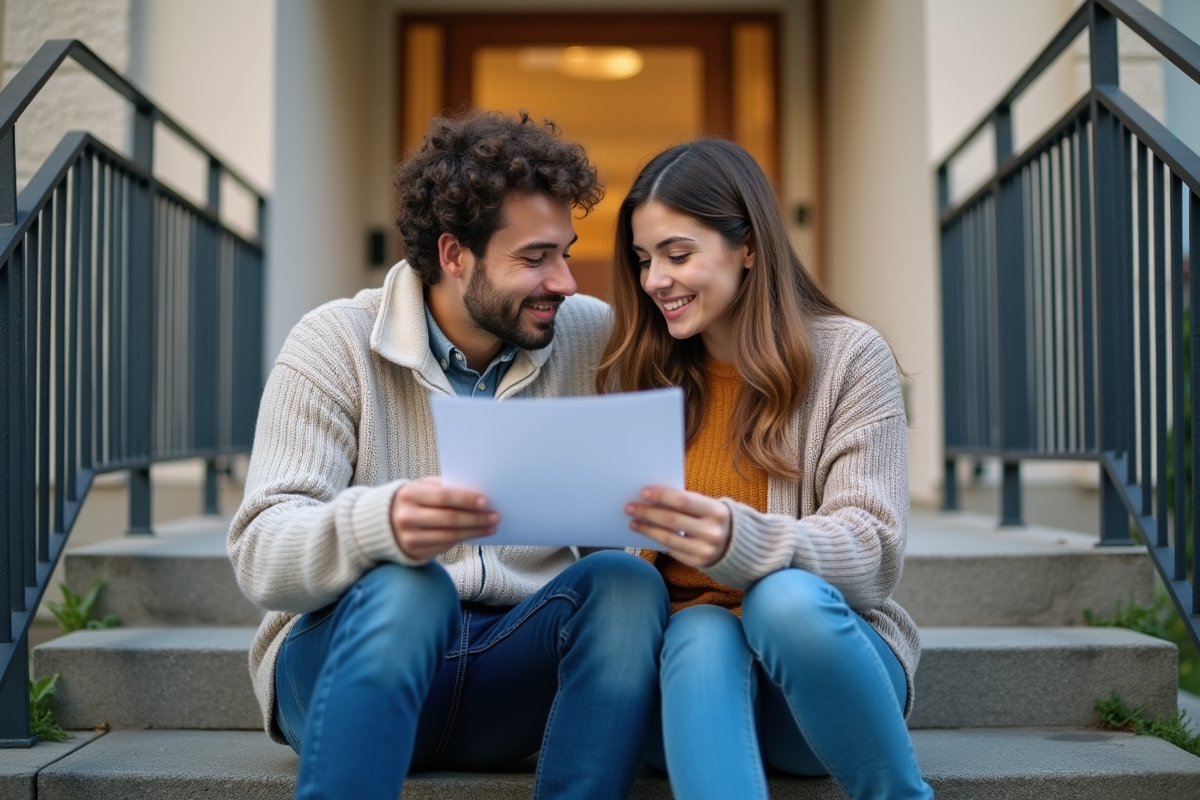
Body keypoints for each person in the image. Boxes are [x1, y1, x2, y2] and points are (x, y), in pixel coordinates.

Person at [228, 110, 669, 800]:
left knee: (625, 584)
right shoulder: (334, 342)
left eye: (565, 252)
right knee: (413, 584)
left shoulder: (592, 337)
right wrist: (382, 524)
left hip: (509, 670)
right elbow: (261, 553)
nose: (564, 281)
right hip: (350, 663)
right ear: (454, 254)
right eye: (535, 258)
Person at [598, 138, 933, 800]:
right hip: (686, 689)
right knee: (699, 629)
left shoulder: (847, 358)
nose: (655, 280)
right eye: (643, 259)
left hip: (819, 682)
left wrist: (739, 541)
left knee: (783, 600)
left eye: (677, 254)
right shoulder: (640, 374)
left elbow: (873, 549)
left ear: (747, 246)